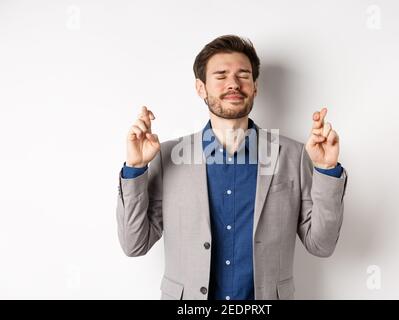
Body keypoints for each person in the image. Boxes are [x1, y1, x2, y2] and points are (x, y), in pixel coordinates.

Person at [116, 35, 348, 300]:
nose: (233, 84)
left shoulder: (294, 156)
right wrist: (135, 168)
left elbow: (322, 245)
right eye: (221, 75)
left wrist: (327, 169)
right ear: (201, 87)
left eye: (243, 75)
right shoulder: (167, 156)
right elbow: (134, 245)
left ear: (255, 86)